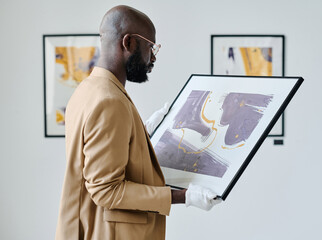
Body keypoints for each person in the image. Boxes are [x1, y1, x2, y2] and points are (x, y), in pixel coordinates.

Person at [55, 5, 220, 240]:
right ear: (129, 43)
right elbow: (106, 190)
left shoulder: (89, 89)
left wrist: (141, 133)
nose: (152, 57)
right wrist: (184, 196)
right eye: (151, 47)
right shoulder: (109, 100)